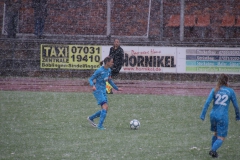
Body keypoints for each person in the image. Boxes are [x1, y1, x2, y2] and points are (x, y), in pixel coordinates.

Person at [200, 74, 240, 158]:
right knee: (221, 137)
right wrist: (237, 115)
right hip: (222, 116)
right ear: (227, 81)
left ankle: (214, 152)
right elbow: (236, 105)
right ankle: (213, 150)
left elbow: (207, 102)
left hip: (213, 115)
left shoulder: (214, 90)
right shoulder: (230, 91)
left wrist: (203, 114)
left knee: (215, 133)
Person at [88, 56, 123, 130]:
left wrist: (117, 88)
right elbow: (90, 79)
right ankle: (100, 126)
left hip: (103, 91)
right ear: (107, 62)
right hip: (98, 91)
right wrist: (93, 86)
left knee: (105, 109)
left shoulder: (109, 70)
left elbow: (110, 81)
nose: (112, 63)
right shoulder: (99, 70)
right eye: (111, 62)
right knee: (104, 107)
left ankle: (91, 118)